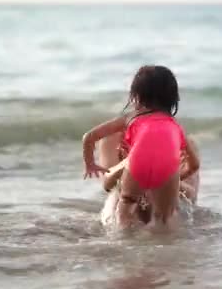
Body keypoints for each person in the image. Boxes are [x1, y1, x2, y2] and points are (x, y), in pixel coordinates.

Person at [82, 65, 200, 229]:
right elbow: (109, 186)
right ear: (174, 101)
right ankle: (162, 241)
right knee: (163, 218)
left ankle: (122, 236)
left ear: (135, 97)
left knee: (125, 204)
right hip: (160, 183)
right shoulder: (176, 131)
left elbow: (191, 196)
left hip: (140, 179)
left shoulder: (128, 120)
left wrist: (92, 164)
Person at [97, 133, 200, 228]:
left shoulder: (183, 141)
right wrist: (130, 162)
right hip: (125, 205)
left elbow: (191, 195)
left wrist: (162, 174)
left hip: (169, 209)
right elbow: (108, 186)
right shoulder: (112, 138)